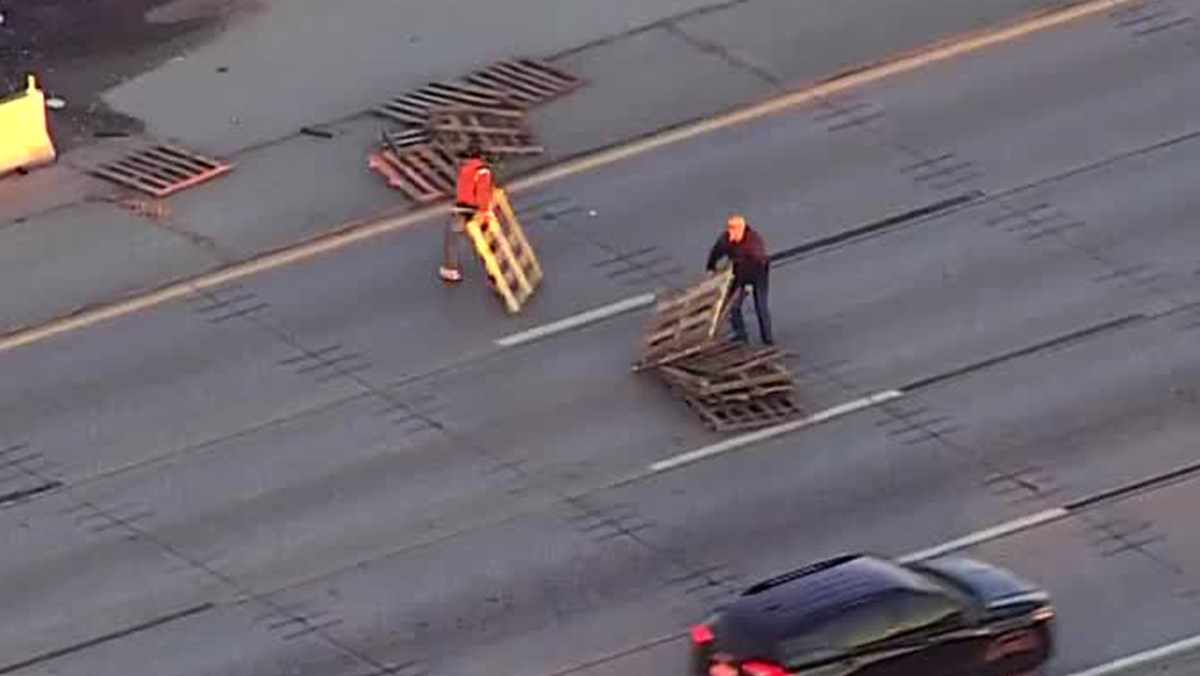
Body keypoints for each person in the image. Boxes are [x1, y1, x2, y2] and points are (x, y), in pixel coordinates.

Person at [706, 214, 774, 345]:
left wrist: (748, 285)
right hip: (738, 274)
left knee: (761, 306)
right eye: (730, 231)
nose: (732, 236)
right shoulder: (726, 239)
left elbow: (759, 264)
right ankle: (741, 336)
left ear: (741, 229)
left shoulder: (754, 243)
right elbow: (716, 252)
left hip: (758, 274)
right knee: (733, 306)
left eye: (734, 232)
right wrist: (711, 267)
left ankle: (767, 339)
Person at [441, 144, 494, 283]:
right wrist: (485, 213)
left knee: (452, 238)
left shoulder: (466, 170)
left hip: (463, 209)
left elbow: (463, 192)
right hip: (475, 209)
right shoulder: (483, 171)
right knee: (485, 239)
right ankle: (493, 270)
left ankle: (451, 270)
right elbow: (483, 194)